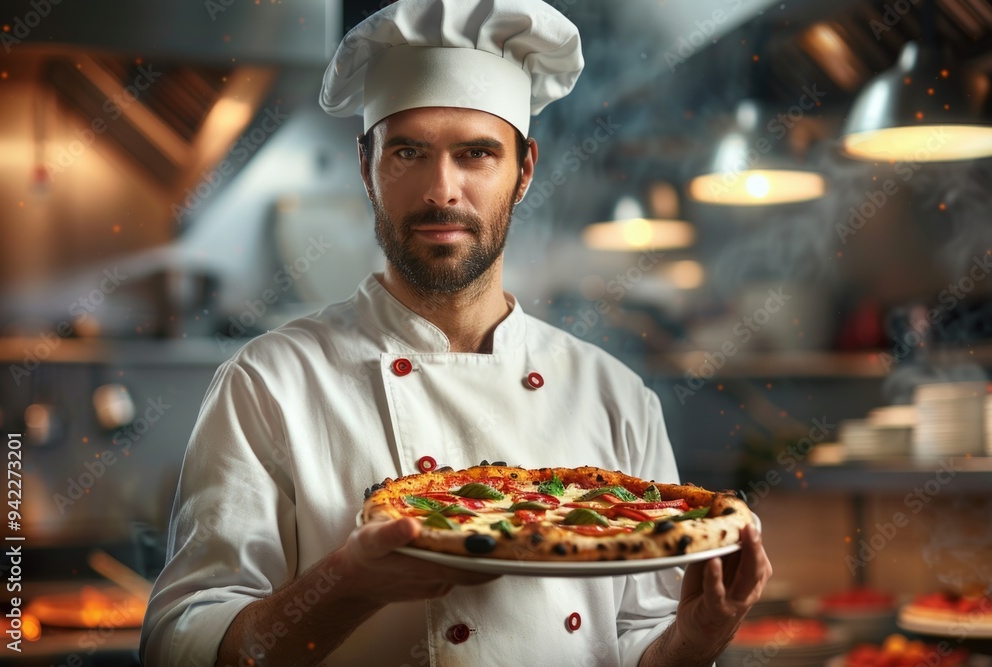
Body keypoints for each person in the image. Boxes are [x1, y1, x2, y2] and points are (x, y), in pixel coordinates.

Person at [140, 1, 772, 665]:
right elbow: (181, 644)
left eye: (476, 154)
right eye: (409, 151)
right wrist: (348, 584)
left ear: (524, 170)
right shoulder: (268, 383)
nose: (443, 190)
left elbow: (644, 641)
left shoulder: (615, 396)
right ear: (367, 166)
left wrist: (698, 636)